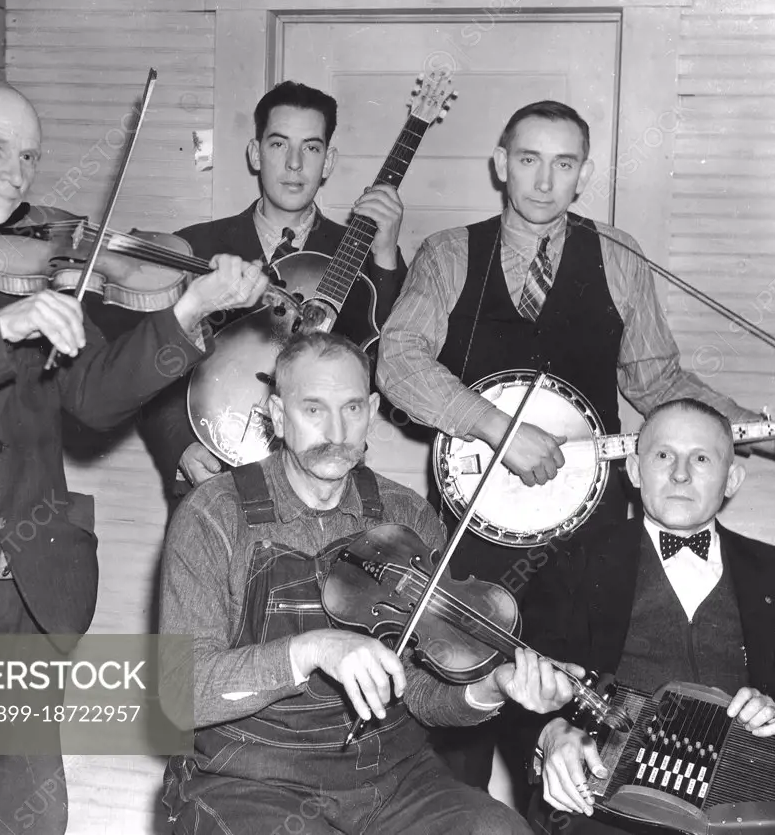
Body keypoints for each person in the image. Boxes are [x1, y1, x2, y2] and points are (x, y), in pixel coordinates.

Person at [0, 80, 268, 835]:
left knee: (29, 818)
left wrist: (188, 311)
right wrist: (0, 331)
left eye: (29, 154)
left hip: (27, 595)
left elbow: (92, 398)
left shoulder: (49, 265)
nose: (18, 170)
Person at [375, 98, 775, 788]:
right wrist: (497, 429)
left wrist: (771, 435)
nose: (543, 180)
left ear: (583, 174)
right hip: (477, 533)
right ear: (500, 165)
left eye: (563, 164)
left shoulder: (619, 257)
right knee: (462, 730)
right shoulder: (448, 252)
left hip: (588, 537)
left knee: (585, 730)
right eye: (529, 160)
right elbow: (398, 361)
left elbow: (659, 383)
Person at [157, 331, 581, 835]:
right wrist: (312, 649)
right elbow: (180, 692)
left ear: (374, 410)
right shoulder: (213, 514)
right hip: (249, 778)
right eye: (313, 409)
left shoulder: (407, 516)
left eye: (352, 408)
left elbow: (423, 694)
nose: (336, 431)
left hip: (392, 781)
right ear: (275, 414)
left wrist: (492, 686)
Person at [521, 398, 775, 835]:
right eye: (662, 455)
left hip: (740, 809)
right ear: (634, 471)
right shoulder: (570, 560)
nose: (680, 473)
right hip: (604, 804)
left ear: (731, 480)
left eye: (700, 458)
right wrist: (550, 734)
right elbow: (526, 680)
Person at [88, 80, 407, 510]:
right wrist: (180, 446)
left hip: (325, 487)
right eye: (279, 145)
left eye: (311, 148)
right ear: (256, 153)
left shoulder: (362, 256)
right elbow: (146, 363)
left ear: (328, 161)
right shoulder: (194, 247)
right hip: (214, 476)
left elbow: (394, 360)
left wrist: (385, 253)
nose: (294, 164)